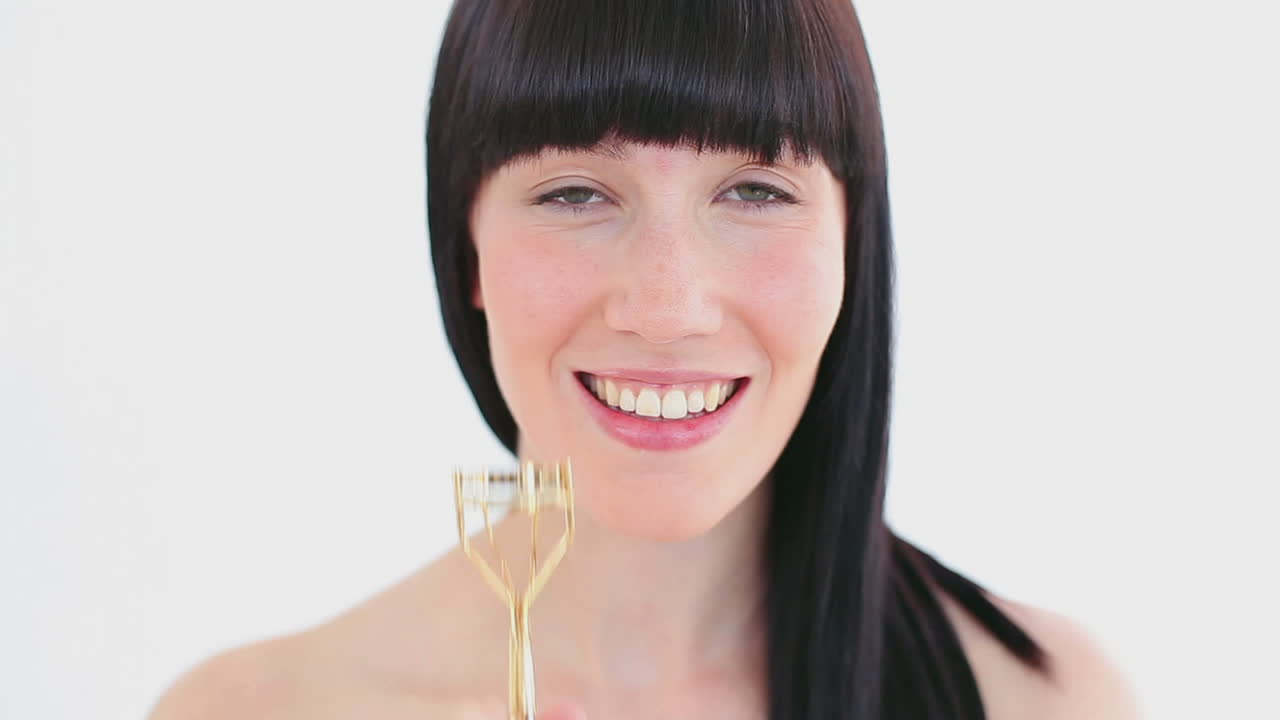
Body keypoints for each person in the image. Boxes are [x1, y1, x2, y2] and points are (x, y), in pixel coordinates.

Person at [150, 1, 1140, 718]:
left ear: (849, 246)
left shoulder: (1042, 700)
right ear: (468, 253)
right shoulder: (249, 709)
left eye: (754, 192)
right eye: (575, 194)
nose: (666, 309)